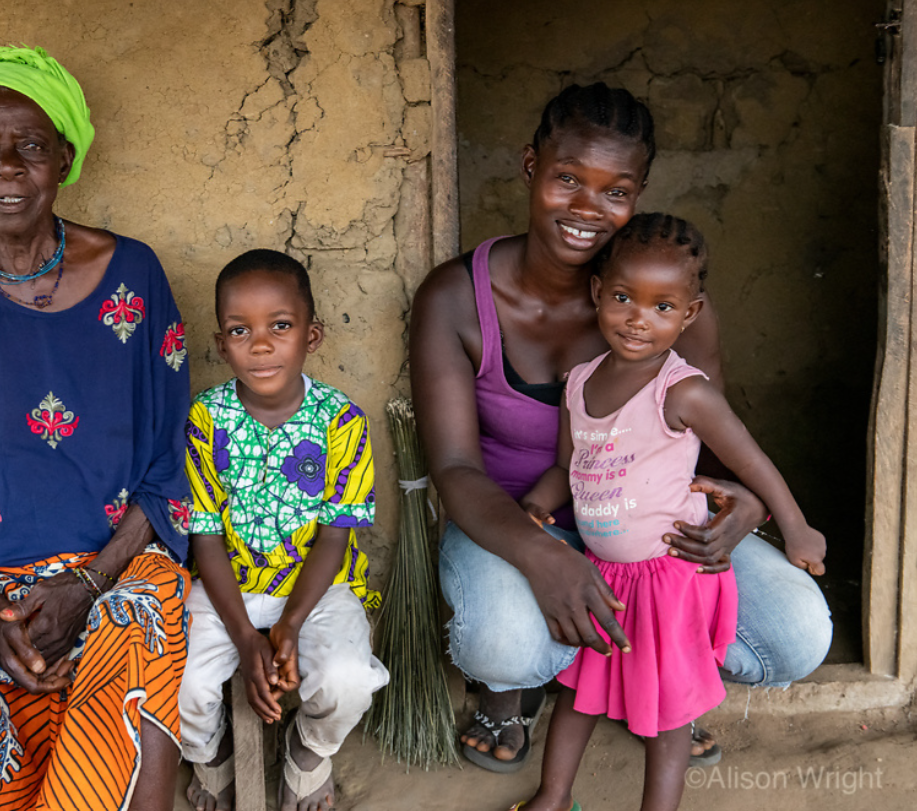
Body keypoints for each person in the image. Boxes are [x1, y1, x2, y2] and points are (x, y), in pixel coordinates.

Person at [408, 83, 832, 774]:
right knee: (504, 643)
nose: (585, 209)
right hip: (519, 518)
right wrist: (543, 556)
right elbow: (454, 467)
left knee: (795, 637)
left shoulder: (666, 303)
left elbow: (711, 438)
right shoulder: (454, 297)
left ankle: (657, 686)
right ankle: (512, 692)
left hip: (653, 532)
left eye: (614, 191)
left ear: (637, 194)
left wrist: (746, 505)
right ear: (528, 166)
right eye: (567, 179)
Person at [0, 46, 192, 811]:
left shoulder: (136, 274)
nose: (8, 166)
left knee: (144, 615)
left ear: (65, 157)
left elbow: (166, 470)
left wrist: (88, 584)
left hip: (114, 564)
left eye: (30, 145)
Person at [511, 213, 826, 811]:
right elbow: (565, 467)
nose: (638, 319)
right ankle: (554, 797)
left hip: (671, 572)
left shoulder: (684, 392)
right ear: (599, 293)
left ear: (690, 313)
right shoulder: (578, 383)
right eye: (625, 298)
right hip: (605, 573)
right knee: (583, 686)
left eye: (662, 307)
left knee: (672, 708)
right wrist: (534, 506)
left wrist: (795, 527)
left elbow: (752, 463)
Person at [180, 249, 388, 811]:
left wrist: (291, 622)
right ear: (222, 345)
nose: (262, 344)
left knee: (348, 681)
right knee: (181, 686)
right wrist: (247, 636)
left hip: (318, 588)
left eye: (280, 326)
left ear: (312, 336)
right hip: (228, 584)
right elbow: (204, 539)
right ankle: (209, 755)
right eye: (239, 331)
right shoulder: (205, 419)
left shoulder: (341, 420)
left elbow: (334, 536)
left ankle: (309, 751)